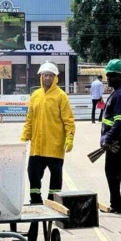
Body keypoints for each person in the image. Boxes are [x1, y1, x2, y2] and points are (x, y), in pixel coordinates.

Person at [21, 61, 76, 205]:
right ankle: (36, 200)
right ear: (41, 77)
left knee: (56, 176)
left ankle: (53, 203)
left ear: (55, 77)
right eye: (45, 75)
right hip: (37, 147)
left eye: (50, 76)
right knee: (32, 174)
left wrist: (69, 138)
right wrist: (25, 136)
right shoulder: (35, 95)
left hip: (54, 146)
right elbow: (30, 119)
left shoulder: (61, 96)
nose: (47, 78)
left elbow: (68, 120)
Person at [100, 59, 121, 214]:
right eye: (108, 75)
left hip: (117, 143)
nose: (108, 78)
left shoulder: (120, 96)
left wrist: (107, 139)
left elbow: (118, 123)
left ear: (120, 76)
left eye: (112, 75)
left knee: (112, 172)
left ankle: (117, 204)